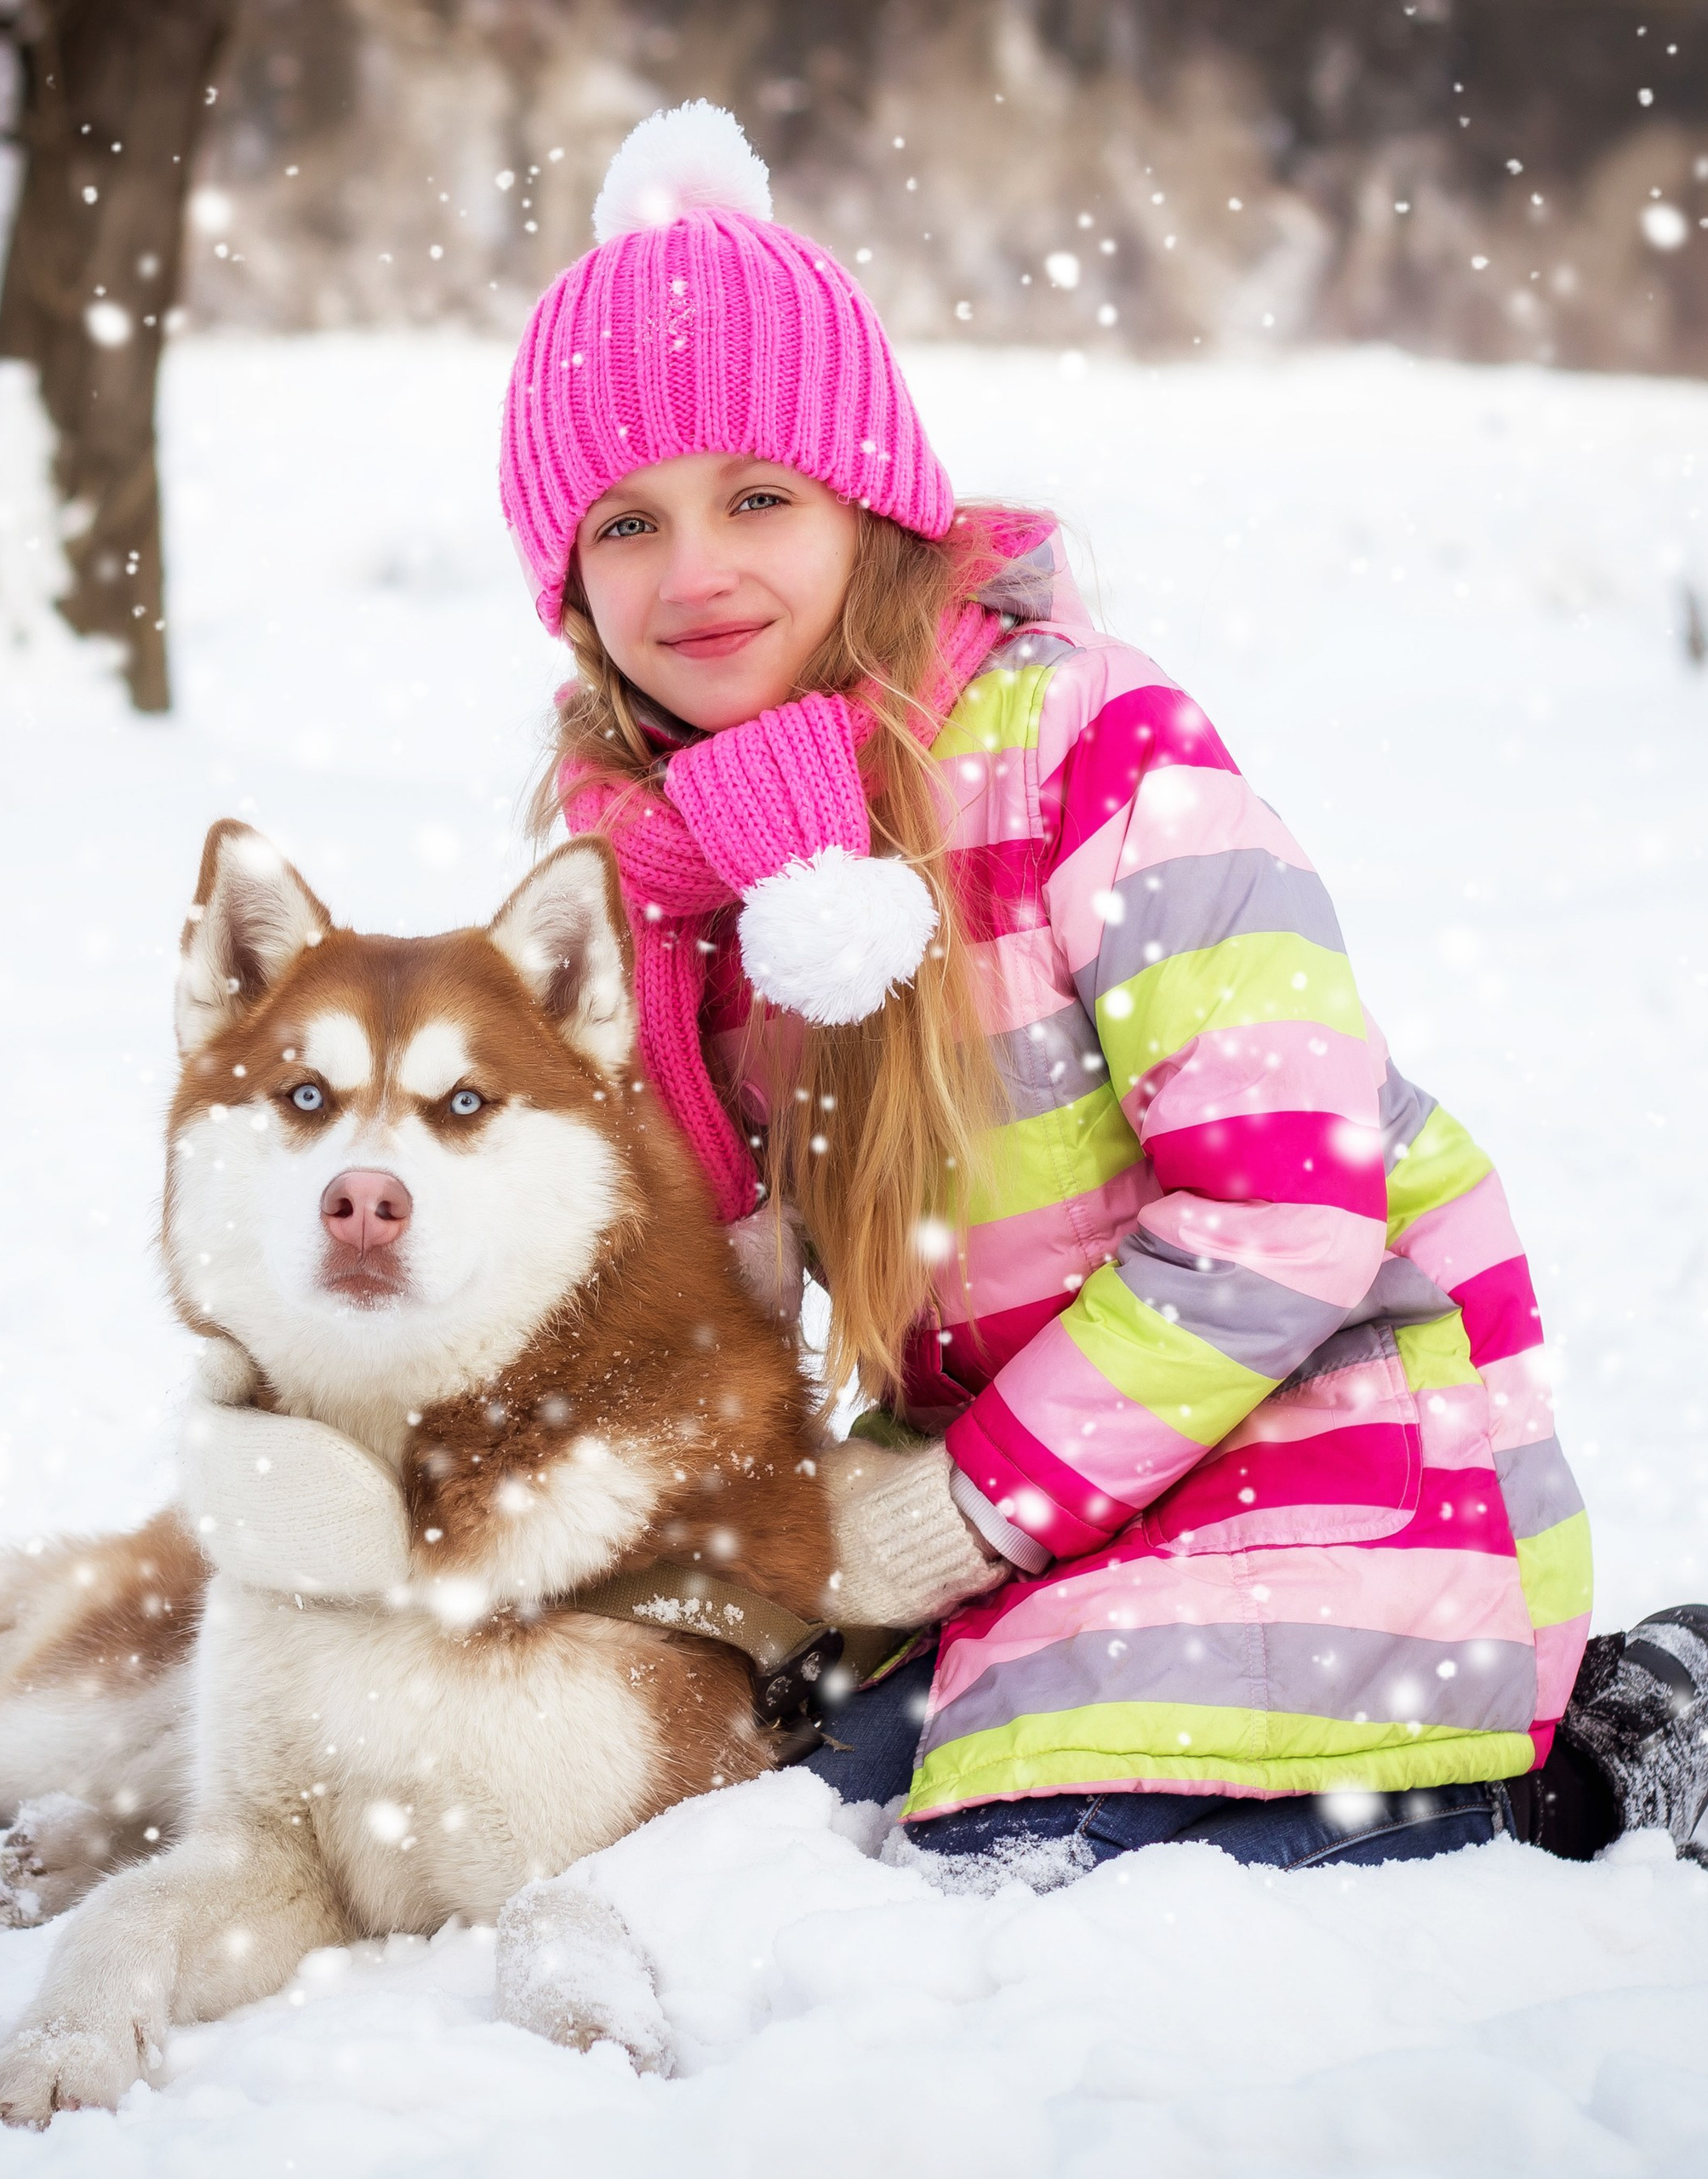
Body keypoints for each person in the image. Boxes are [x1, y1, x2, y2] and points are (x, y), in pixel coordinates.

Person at [500, 102, 1708, 1881]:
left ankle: (1599, 1754)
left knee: (1055, 1841)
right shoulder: (660, 880)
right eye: (625, 523)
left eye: (754, 495)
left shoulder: (1082, 743)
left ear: (865, 498)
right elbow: (655, 1277)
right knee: (771, 1793)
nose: (693, 574)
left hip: (1325, 1424)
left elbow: (1289, 1202)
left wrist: (968, 1506)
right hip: (1031, 1478)